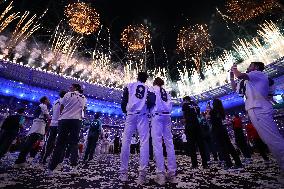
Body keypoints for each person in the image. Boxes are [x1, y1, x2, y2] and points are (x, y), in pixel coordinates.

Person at [231, 62, 284, 183]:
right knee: (269, 141)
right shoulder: (252, 81)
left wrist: (234, 67)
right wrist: (230, 74)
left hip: (259, 110)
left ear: (256, 67)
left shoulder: (258, 74)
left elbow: (239, 75)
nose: (248, 67)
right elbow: (235, 88)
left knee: (273, 140)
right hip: (256, 110)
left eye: (250, 66)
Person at [47, 83, 87, 176]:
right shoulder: (84, 97)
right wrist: (80, 118)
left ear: (76, 87)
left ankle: (52, 167)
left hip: (64, 119)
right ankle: (73, 167)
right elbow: (84, 110)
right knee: (74, 144)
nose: (69, 88)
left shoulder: (67, 94)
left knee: (60, 143)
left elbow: (61, 107)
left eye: (71, 86)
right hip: (76, 121)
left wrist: (63, 115)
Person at [119, 72, 150, 185]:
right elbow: (151, 103)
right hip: (143, 116)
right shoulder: (148, 88)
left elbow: (123, 102)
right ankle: (142, 175)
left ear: (137, 77)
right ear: (145, 79)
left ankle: (123, 173)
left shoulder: (129, 85)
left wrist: (126, 111)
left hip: (131, 114)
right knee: (144, 143)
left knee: (125, 142)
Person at [148, 77, 177, 185]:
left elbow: (149, 102)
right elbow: (171, 105)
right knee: (170, 144)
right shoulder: (166, 91)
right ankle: (172, 174)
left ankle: (161, 175)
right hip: (167, 117)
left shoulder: (153, 89)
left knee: (157, 145)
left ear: (155, 83)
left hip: (157, 116)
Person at [15, 96, 50, 167]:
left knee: (29, 143)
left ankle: (20, 160)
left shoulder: (40, 106)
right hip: (39, 125)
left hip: (36, 125)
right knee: (30, 144)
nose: (49, 101)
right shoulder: (43, 106)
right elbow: (47, 116)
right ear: (45, 100)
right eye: (48, 99)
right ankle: (20, 161)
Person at [210, 99, 242, 170]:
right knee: (230, 146)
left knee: (222, 148)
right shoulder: (221, 110)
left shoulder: (212, 111)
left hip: (217, 130)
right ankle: (238, 162)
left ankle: (229, 163)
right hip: (223, 129)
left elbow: (211, 120)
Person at [182, 96, 208, 169]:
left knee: (192, 146)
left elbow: (184, 115)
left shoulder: (185, 105)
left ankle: (194, 164)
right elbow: (198, 114)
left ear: (185, 100)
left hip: (190, 126)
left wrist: (185, 120)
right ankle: (205, 164)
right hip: (198, 126)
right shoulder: (196, 105)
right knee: (201, 146)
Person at [41, 91, 66, 164]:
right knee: (60, 142)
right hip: (60, 123)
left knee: (49, 142)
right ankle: (56, 160)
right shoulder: (64, 102)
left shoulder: (55, 102)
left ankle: (44, 157)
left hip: (52, 123)